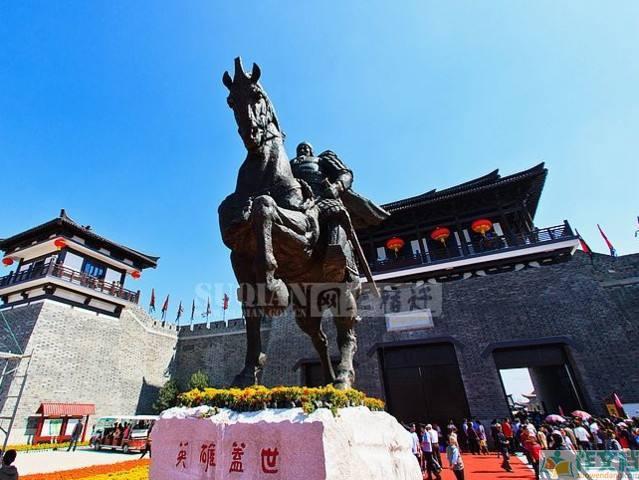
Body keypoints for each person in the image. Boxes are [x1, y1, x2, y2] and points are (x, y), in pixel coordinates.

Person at [289, 142, 389, 280]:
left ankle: (335, 253)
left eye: (306, 147)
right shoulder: (288, 165)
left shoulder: (321, 159)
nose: (303, 149)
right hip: (296, 202)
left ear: (312, 151)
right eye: (300, 148)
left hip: (321, 197)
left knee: (335, 211)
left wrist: (337, 186)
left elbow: (345, 173)